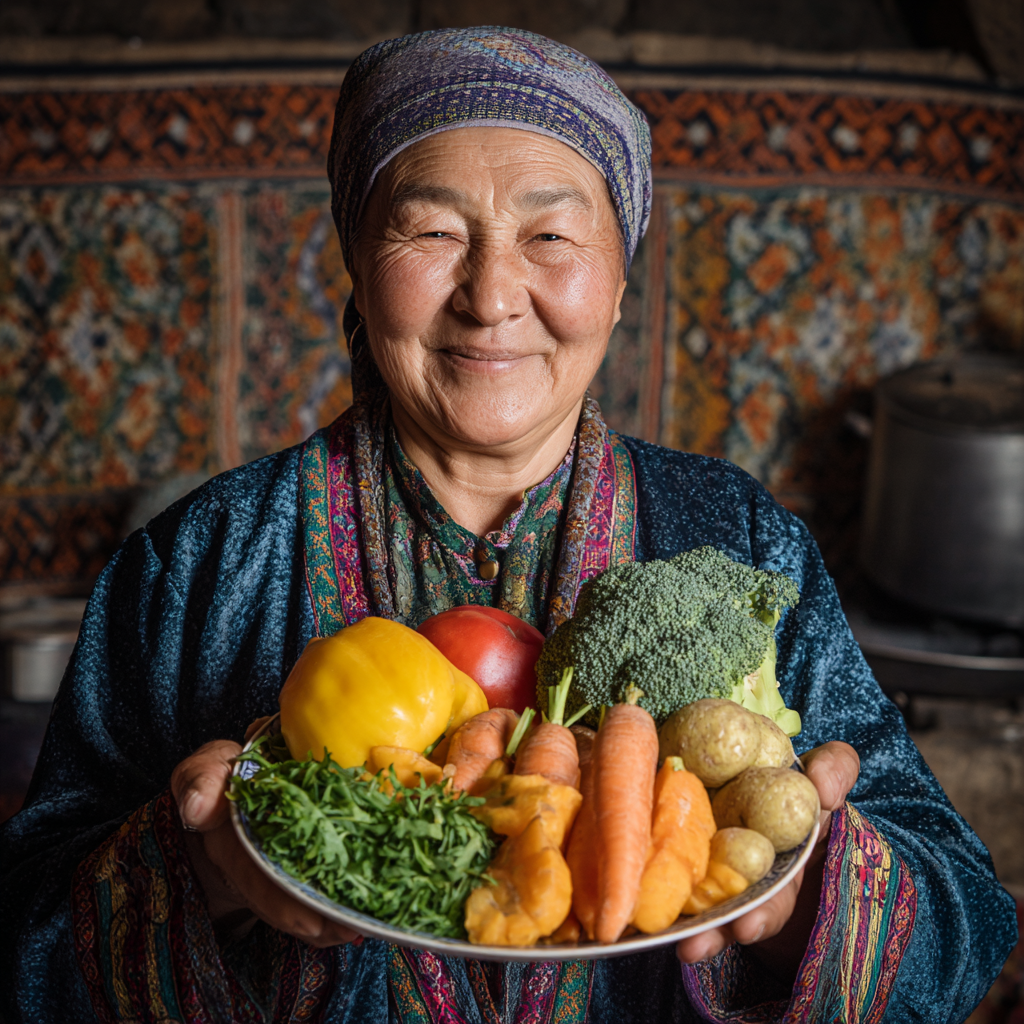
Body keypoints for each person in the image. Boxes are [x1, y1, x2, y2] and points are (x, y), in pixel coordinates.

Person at [0, 26, 1016, 1024]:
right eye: (432, 232)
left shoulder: (740, 543)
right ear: (356, 260)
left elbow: (970, 917)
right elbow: (21, 951)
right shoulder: (197, 562)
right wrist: (205, 870)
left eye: (551, 238)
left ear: (619, 285)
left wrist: (800, 898)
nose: (490, 297)